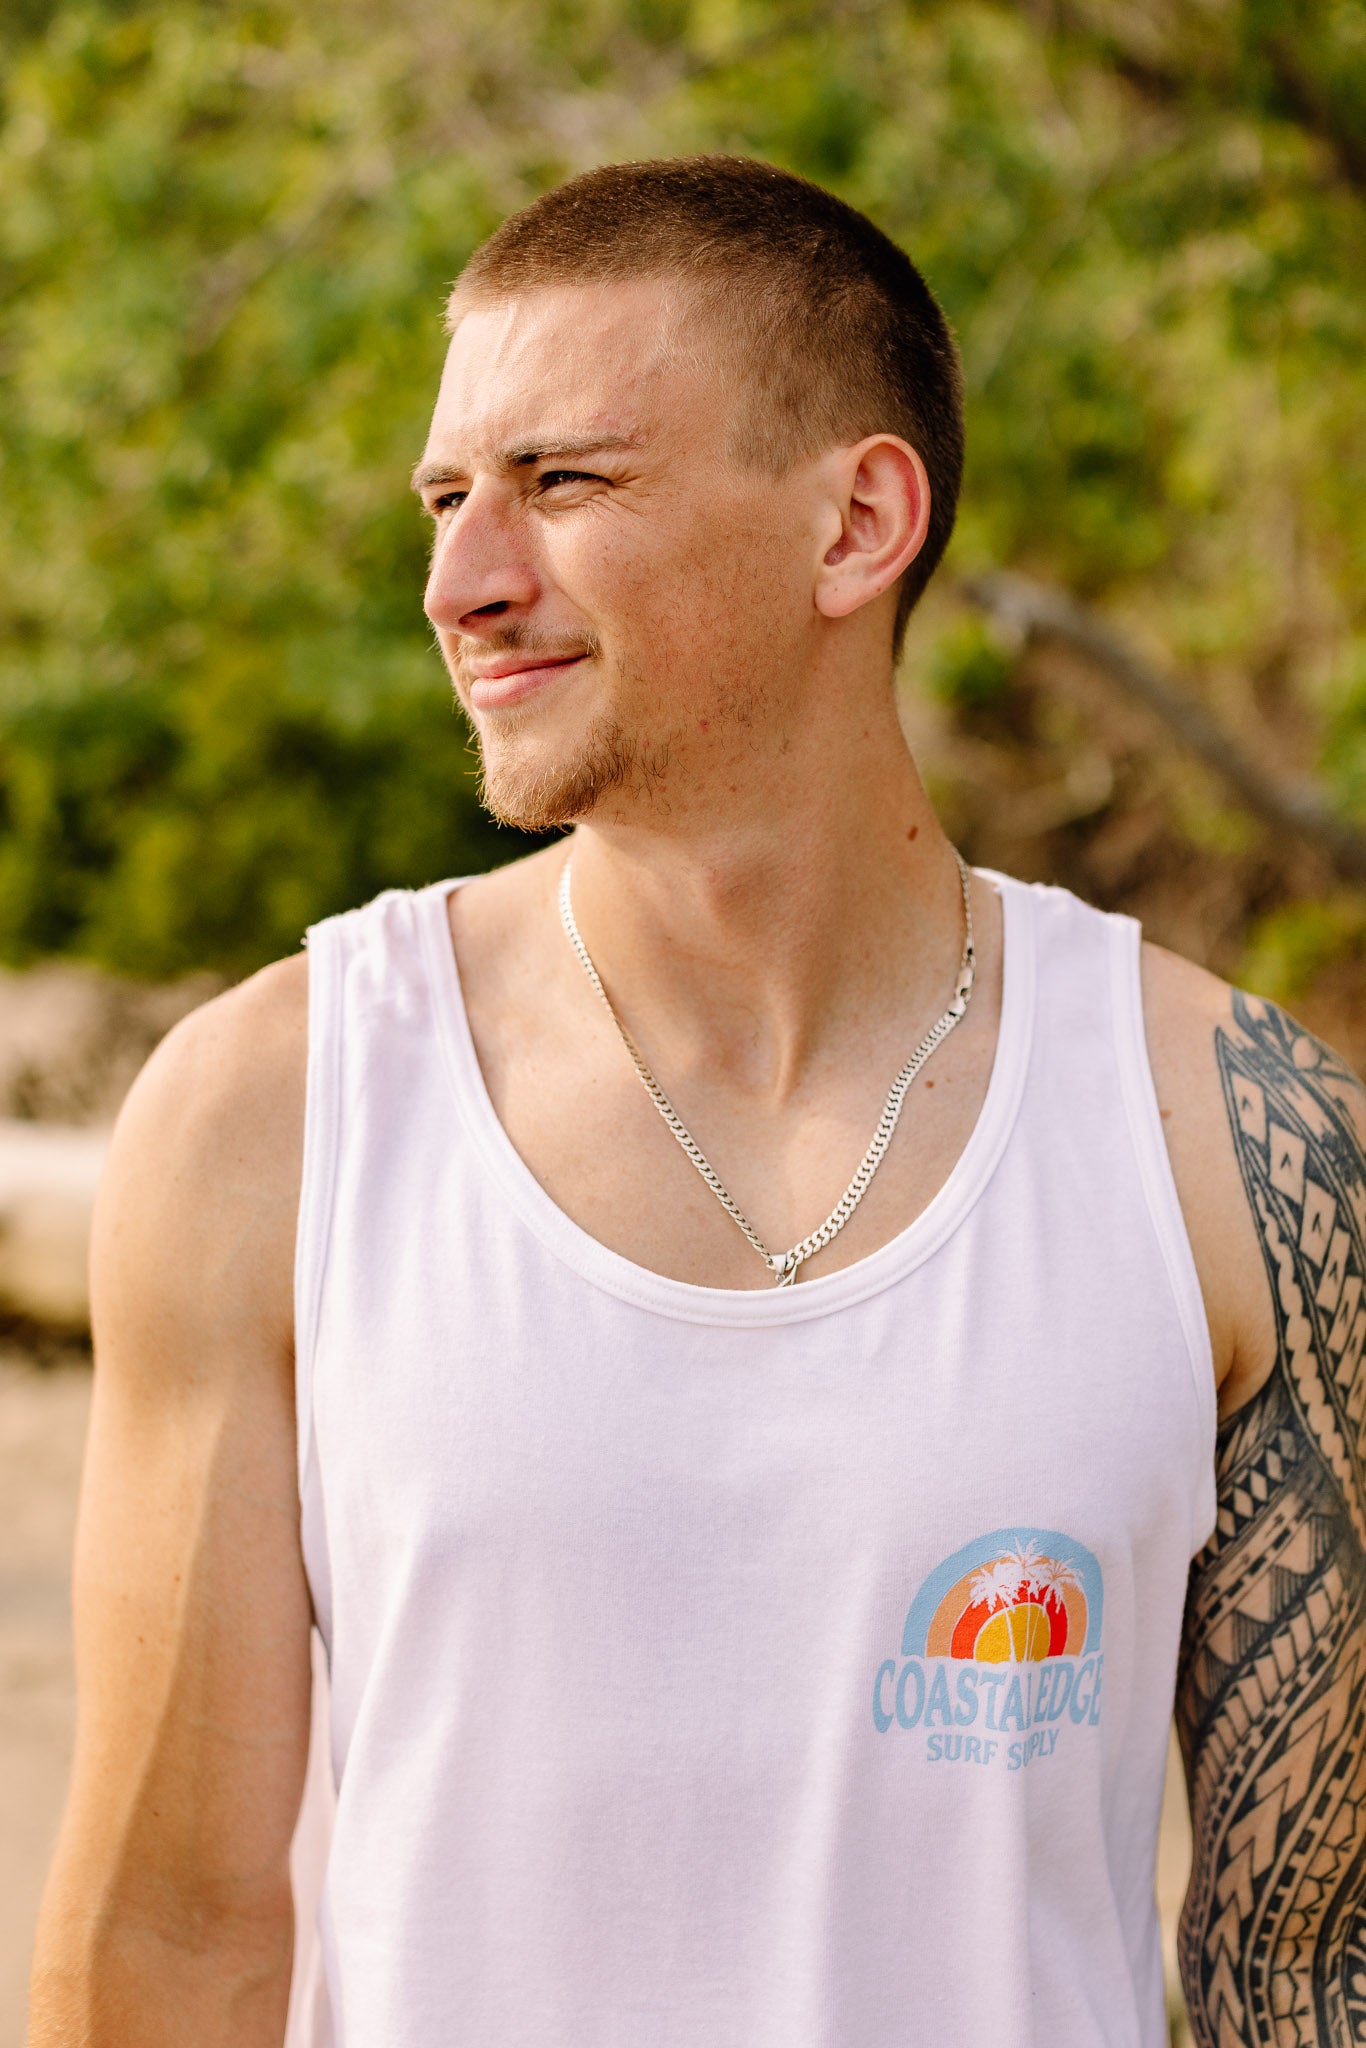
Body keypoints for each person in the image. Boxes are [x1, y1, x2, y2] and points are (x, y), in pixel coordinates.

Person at [27, 155, 1366, 2048]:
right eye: (446, 498)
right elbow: (165, 1945)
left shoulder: (1233, 1143)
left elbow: (1309, 1967)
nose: (461, 583)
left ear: (855, 523)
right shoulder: (277, 1112)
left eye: (564, 483)